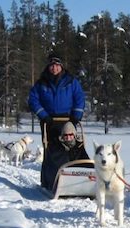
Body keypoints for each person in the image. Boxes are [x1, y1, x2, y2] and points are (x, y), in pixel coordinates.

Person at [28, 52, 88, 191]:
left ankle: (80, 176)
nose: (54, 68)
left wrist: (76, 115)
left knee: (74, 147)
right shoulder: (41, 82)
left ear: (61, 66)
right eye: (51, 65)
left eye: (56, 65)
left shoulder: (71, 81)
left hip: (68, 120)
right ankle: (50, 181)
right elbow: (33, 100)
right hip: (49, 121)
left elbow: (79, 97)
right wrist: (43, 115)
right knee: (52, 149)